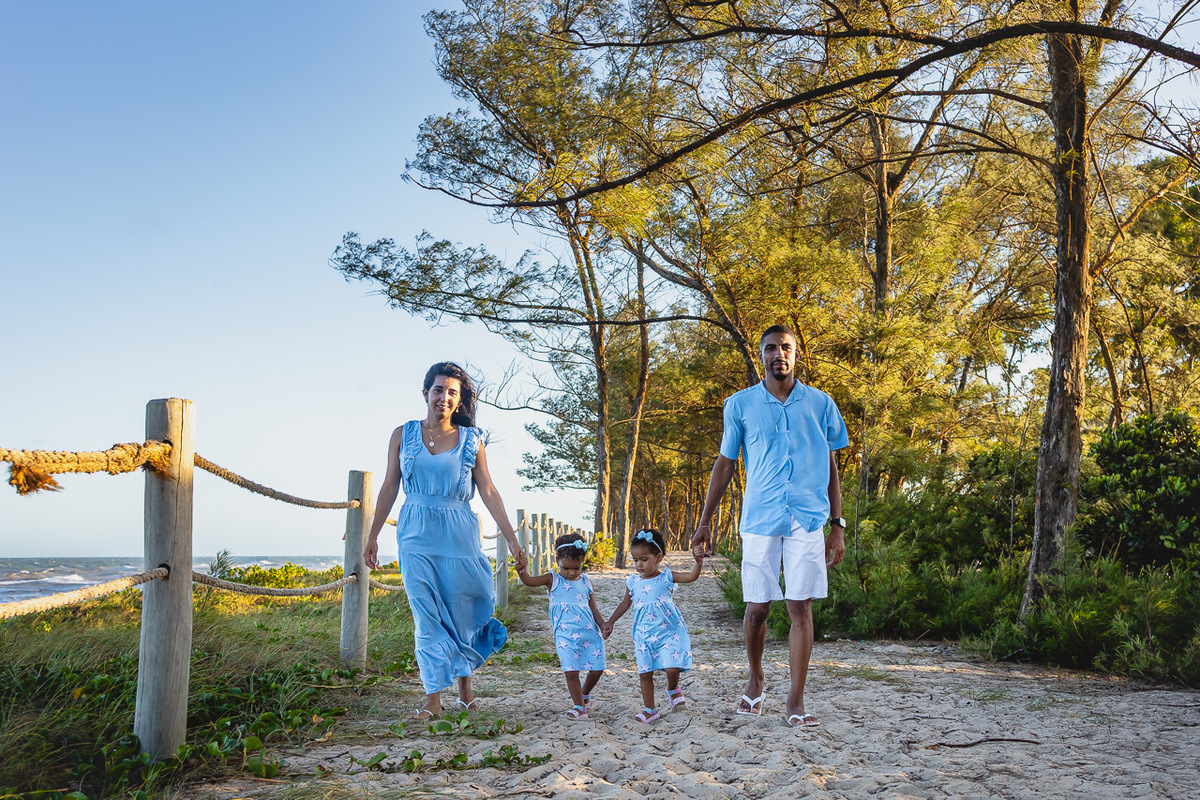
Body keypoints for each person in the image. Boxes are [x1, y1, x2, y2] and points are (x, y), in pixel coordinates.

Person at [691, 325, 848, 728]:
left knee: (800, 606)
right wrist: (705, 521)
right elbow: (725, 463)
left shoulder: (821, 403)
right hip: (760, 517)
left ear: (797, 354)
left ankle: (796, 700)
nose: (779, 354)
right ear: (761, 354)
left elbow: (831, 465)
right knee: (758, 606)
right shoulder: (739, 405)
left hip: (807, 517)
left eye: (786, 347)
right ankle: (756, 677)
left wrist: (837, 524)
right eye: (771, 348)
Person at [362, 361, 527, 719]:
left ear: (459, 399)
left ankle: (465, 689)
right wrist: (373, 535)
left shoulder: (472, 440)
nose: (445, 397)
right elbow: (390, 486)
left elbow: (488, 490)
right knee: (426, 615)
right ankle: (432, 698)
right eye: (439, 390)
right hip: (415, 533)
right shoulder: (402, 434)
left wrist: (512, 540)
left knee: (462, 610)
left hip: (459, 533)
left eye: (452, 392)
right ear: (426, 393)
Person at [604, 528, 705, 723]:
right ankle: (649, 709)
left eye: (644, 559)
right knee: (645, 673)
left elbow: (691, 576)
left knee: (672, 668)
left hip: (669, 632)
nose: (639, 565)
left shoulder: (666, 577)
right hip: (644, 635)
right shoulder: (633, 582)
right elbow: (625, 604)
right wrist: (610, 621)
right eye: (635, 560)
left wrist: (698, 562)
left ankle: (673, 689)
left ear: (658, 558)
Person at [515, 532, 607, 720]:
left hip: (590, 633)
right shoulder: (553, 579)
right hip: (565, 636)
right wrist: (521, 570)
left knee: (597, 669)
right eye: (566, 568)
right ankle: (578, 706)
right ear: (557, 561)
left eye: (576, 568)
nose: (572, 573)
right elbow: (529, 581)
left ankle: (584, 693)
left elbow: (593, 608)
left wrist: (603, 624)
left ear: (582, 563)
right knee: (571, 672)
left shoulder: (586, 581)